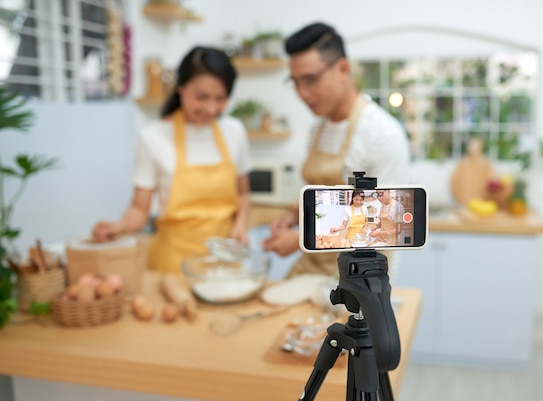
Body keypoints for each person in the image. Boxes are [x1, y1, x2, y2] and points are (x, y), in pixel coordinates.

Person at [263, 22, 410, 278]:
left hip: (363, 275)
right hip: (314, 269)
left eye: (310, 79)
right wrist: (293, 216)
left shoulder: (382, 134)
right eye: (295, 82)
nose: (302, 92)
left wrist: (302, 237)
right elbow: (322, 199)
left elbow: (386, 222)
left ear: (343, 68)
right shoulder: (318, 128)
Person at [92, 46, 251, 274]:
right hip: (173, 265)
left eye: (220, 99)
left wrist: (240, 224)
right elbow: (139, 208)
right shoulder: (153, 137)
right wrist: (119, 227)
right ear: (180, 88)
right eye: (202, 97)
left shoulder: (234, 131)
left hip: (226, 263)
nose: (211, 108)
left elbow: (243, 193)